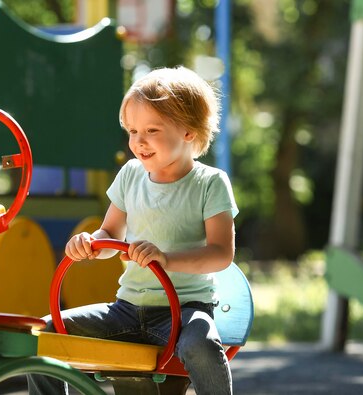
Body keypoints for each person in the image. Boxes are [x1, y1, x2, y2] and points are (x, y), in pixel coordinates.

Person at [28, 66, 238, 394]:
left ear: (188, 131)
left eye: (152, 130)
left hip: (183, 310)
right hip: (126, 309)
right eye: (132, 131)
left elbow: (221, 254)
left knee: (201, 345)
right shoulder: (130, 174)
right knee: (45, 332)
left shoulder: (209, 183)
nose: (139, 142)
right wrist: (91, 243)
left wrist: (165, 259)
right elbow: (110, 235)